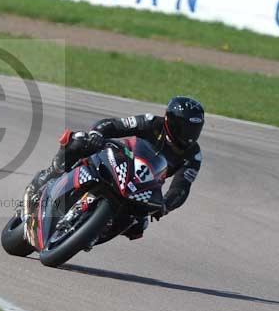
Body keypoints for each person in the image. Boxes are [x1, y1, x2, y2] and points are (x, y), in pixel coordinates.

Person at [24, 96, 204, 240]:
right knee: (79, 140)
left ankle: (92, 232)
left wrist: (166, 206)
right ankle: (46, 178)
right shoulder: (151, 123)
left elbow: (181, 187)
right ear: (170, 121)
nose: (189, 134)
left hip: (143, 187)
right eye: (184, 127)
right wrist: (96, 134)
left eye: (194, 129)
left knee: (138, 225)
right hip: (119, 160)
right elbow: (113, 125)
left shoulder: (193, 155)